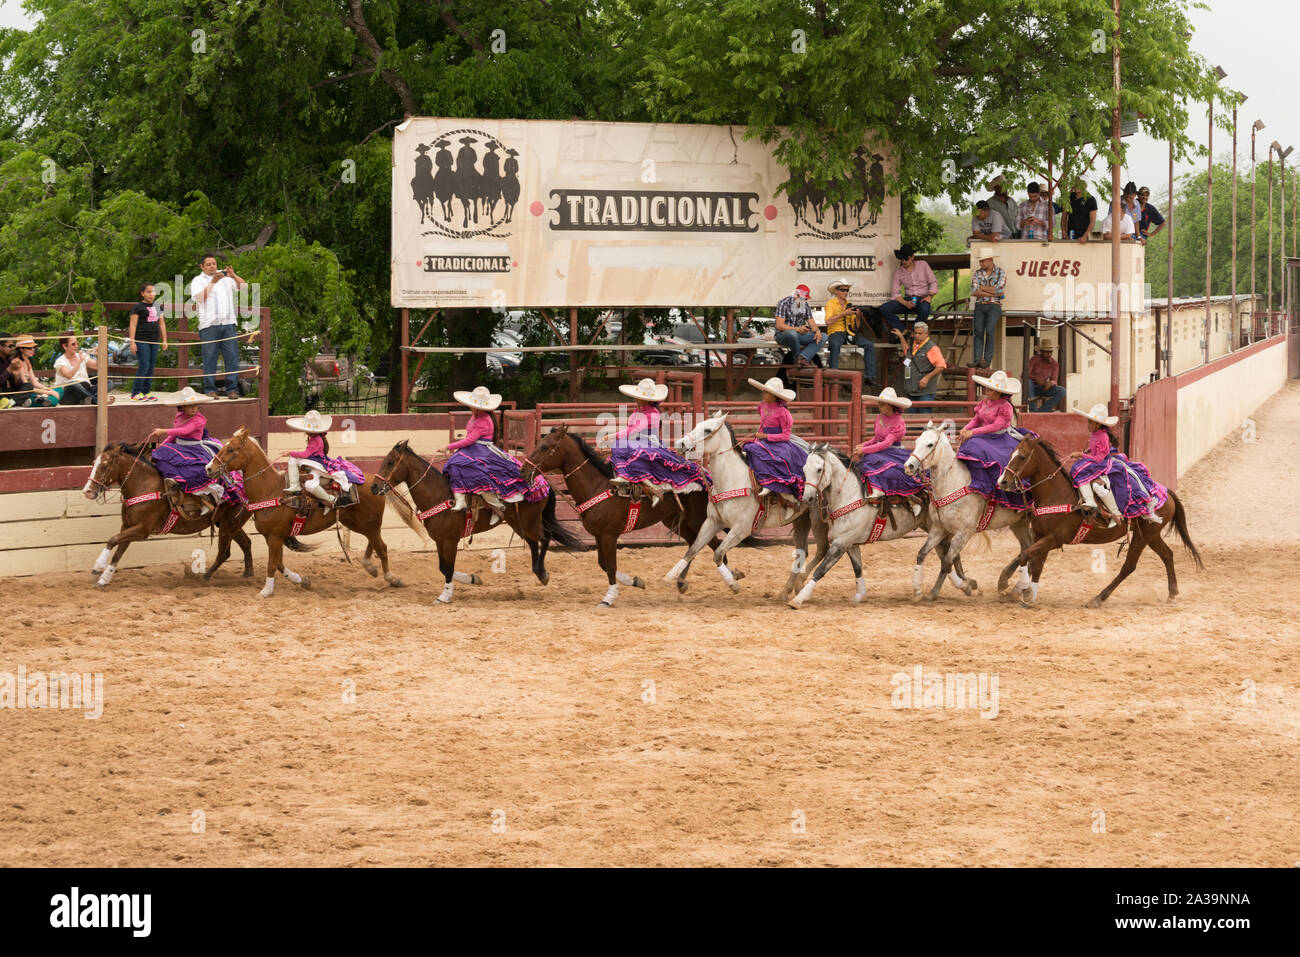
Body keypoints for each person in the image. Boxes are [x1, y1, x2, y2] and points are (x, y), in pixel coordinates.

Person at [600, 378, 709, 506]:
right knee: (619, 446)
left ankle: (637, 481)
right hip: (637, 441)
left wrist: (612, 436)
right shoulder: (638, 411)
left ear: (648, 399)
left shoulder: (652, 413)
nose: (636, 399)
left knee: (620, 446)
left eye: (639, 397)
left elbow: (635, 429)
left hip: (649, 443)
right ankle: (635, 480)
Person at [442, 385, 545, 513]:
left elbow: (470, 440)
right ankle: (462, 498)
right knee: (455, 463)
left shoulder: (483, 420)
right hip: (474, 449)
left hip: (481, 450)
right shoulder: (476, 416)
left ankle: (491, 503)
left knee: (461, 464)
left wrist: (448, 447)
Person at [1065, 403, 1164, 526]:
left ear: (1097, 424)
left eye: (1090, 423)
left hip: (1102, 463)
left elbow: (1099, 458)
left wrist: (1081, 454)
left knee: (1093, 482)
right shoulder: (1095, 434)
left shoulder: (1103, 437)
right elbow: (1096, 451)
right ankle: (1089, 500)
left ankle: (1114, 512)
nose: (1088, 425)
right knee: (1077, 469)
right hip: (1096, 461)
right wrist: (1088, 452)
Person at [146, 387, 233, 517]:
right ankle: (174, 481)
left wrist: (163, 431)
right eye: (189, 406)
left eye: (195, 405)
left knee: (197, 471)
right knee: (160, 455)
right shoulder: (179, 417)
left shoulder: (199, 419)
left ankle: (203, 498)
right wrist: (161, 446)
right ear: (183, 407)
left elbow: (185, 431)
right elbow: (174, 436)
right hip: (180, 447)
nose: (193, 408)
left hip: (194, 449)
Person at [955, 370, 1030, 508]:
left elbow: (996, 426)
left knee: (980, 448)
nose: (987, 390)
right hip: (984, 435)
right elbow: (977, 419)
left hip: (1000, 438)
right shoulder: (985, 402)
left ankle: (994, 488)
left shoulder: (1005, 407)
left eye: (992, 389)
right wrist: (966, 429)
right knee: (971, 445)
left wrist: (972, 432)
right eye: (988, 387)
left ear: (999, 392)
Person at [851, 387, 925, 514]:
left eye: (882, 404)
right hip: (881, 450)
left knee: (869, 459)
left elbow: (886, 443)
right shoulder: (879, 418)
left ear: (890, 405)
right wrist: (863, 445)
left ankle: (905, 495)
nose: (879, 406)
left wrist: (865, 449)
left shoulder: (898, 422)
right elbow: (876, 438)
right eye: (879, 403)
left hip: (893, 452)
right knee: (865, 460)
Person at [742, 376, 808, 507]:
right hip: (763, 440)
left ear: (774, 395)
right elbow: (762, 424)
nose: (763, 394)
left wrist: (765, 436)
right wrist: (757, 437)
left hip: (779, 443)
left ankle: (771, 484)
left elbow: (786, 436)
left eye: (766, 392)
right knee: (749, 450)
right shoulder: (761, 406)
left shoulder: (784, 413)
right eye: (763, 391)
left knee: (778, 460)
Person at [188, 254, 247, 399]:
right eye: (208, 264)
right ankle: (210, 389)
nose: (212, 266)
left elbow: (243, 286)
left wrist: (233, 275)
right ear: (202, 266)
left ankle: (232, 389)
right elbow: (199, 298)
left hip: (228, 324)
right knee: (210, 358)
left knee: (232, 358)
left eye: (214, 263)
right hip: (209, 325)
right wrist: (213, 282)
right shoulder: (198, 280)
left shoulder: (225, 277)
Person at [283, 409, 364, 507]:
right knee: (309, 485)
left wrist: (289, 452)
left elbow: (305, 454)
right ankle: (330, 499)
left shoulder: (315, 439)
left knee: (293, 459)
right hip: (316, 462)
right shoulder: (317, 438)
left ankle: (295, 485)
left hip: (318, 464)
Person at [878, 245, 937, 343]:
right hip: (908, 299)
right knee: (884, 308)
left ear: (912, 257)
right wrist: (905, 303)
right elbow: (895, 293)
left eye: (906, 258)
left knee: (925, 308)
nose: (904, 261)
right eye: (901, 259)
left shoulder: (923, 265)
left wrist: (930, 296)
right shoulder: (898, 272)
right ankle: (903, 331)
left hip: (923, 298)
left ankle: (916, 334)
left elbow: (933, 282)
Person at [823, 278, 878, 382]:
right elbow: (828, 322)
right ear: (836, 291)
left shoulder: (849, 305)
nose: (845, 292)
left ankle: (869, 377)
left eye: (847, 290)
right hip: (836, 332)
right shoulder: (831, 303)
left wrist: (858, 317)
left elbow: (855, 327)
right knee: (835, 345)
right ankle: (834, 376)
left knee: (869, 345)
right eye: (842, 290)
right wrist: (844, 313)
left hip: (849, 333)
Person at [128, 282, 167, 401]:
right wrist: (132, 342)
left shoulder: (158, 306)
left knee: (151, 367)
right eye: (148, 292)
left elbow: (161, 323)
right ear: (142, 293)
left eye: (153, 292)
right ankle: (136, 392)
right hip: (141, 340)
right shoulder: (138, 307)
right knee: (144, 366)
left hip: (154, 340)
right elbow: (133, 324)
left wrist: (164, 339)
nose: (151, 294)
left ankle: (146, 391)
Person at [969, 248, 1005, 369]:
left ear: (990, 260)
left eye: (982, 261)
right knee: (978, 331)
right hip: (981, 305)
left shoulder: (1001, 272)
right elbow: (974, 292)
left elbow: (1000, 291)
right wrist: (992, 292)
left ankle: (987, 360)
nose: (981, 263)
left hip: (994, 306)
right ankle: (977, 359)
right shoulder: (977, 273)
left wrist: (983, 288)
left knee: (989, 330)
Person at [773, 283, 825, 367]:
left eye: (805, 299)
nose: (804, 300)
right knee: (792, 333)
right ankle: (799, 358)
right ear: (796, 295)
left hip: (798, 334)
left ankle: (803, 358)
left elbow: (812, 324)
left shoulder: (805, 305)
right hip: (782, 335)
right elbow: (779, 325)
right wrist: (798, 329)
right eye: (803, 298)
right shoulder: (783, 303)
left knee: (823, 336)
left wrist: (817, 331)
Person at [902, 320, 946, 410]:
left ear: (926, 334)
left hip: (925, 392)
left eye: (920, 333)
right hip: (911, 390)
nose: (917, 335)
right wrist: (900, 337)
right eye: (915, 333)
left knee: (924, 419)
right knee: (911, 420)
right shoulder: (913, 345)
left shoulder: (932, 348)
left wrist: (927, 378)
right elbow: (906, 351)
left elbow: (941, 365)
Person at [8, 336, 60, 406]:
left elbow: (35, 383)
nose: (33, 349)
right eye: (29, 348)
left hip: (32, 390)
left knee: (59, 390)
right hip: (22, 392)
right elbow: (26, 387)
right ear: (21, 349)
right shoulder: (17, 362)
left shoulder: (27, 361)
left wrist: (49, 391)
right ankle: (37, 400)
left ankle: (42, 398)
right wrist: (49, 392)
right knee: (54, 400)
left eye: (34, 347)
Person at [52, 334, 98, 405]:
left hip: (84, 389)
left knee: (108, 383)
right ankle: (95, 400)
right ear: (65, 346)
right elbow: (69, 375)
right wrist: (80, 361)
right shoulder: (60, 361)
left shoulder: (81, 356)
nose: (76, 346)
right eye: (73, 344)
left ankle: (86, 398)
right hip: (68, 394)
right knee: (74, 384)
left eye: (77, 344)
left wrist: (98, 356)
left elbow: (97, 366)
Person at [1026, 341, 1066, 412]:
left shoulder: (1054, 363)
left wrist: (1050, 383)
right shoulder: (1034, 359)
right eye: (1046, 352)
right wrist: (1036, 378)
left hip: (1043, 388)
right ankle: (1034, 411)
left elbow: (1054, 380)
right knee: (1028, 382)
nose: (1049, 354)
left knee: (1061, 390)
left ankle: (1042, 411)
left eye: (1050, 352)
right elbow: (1025, 374)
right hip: (1032, 387)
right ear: (1041, 352)